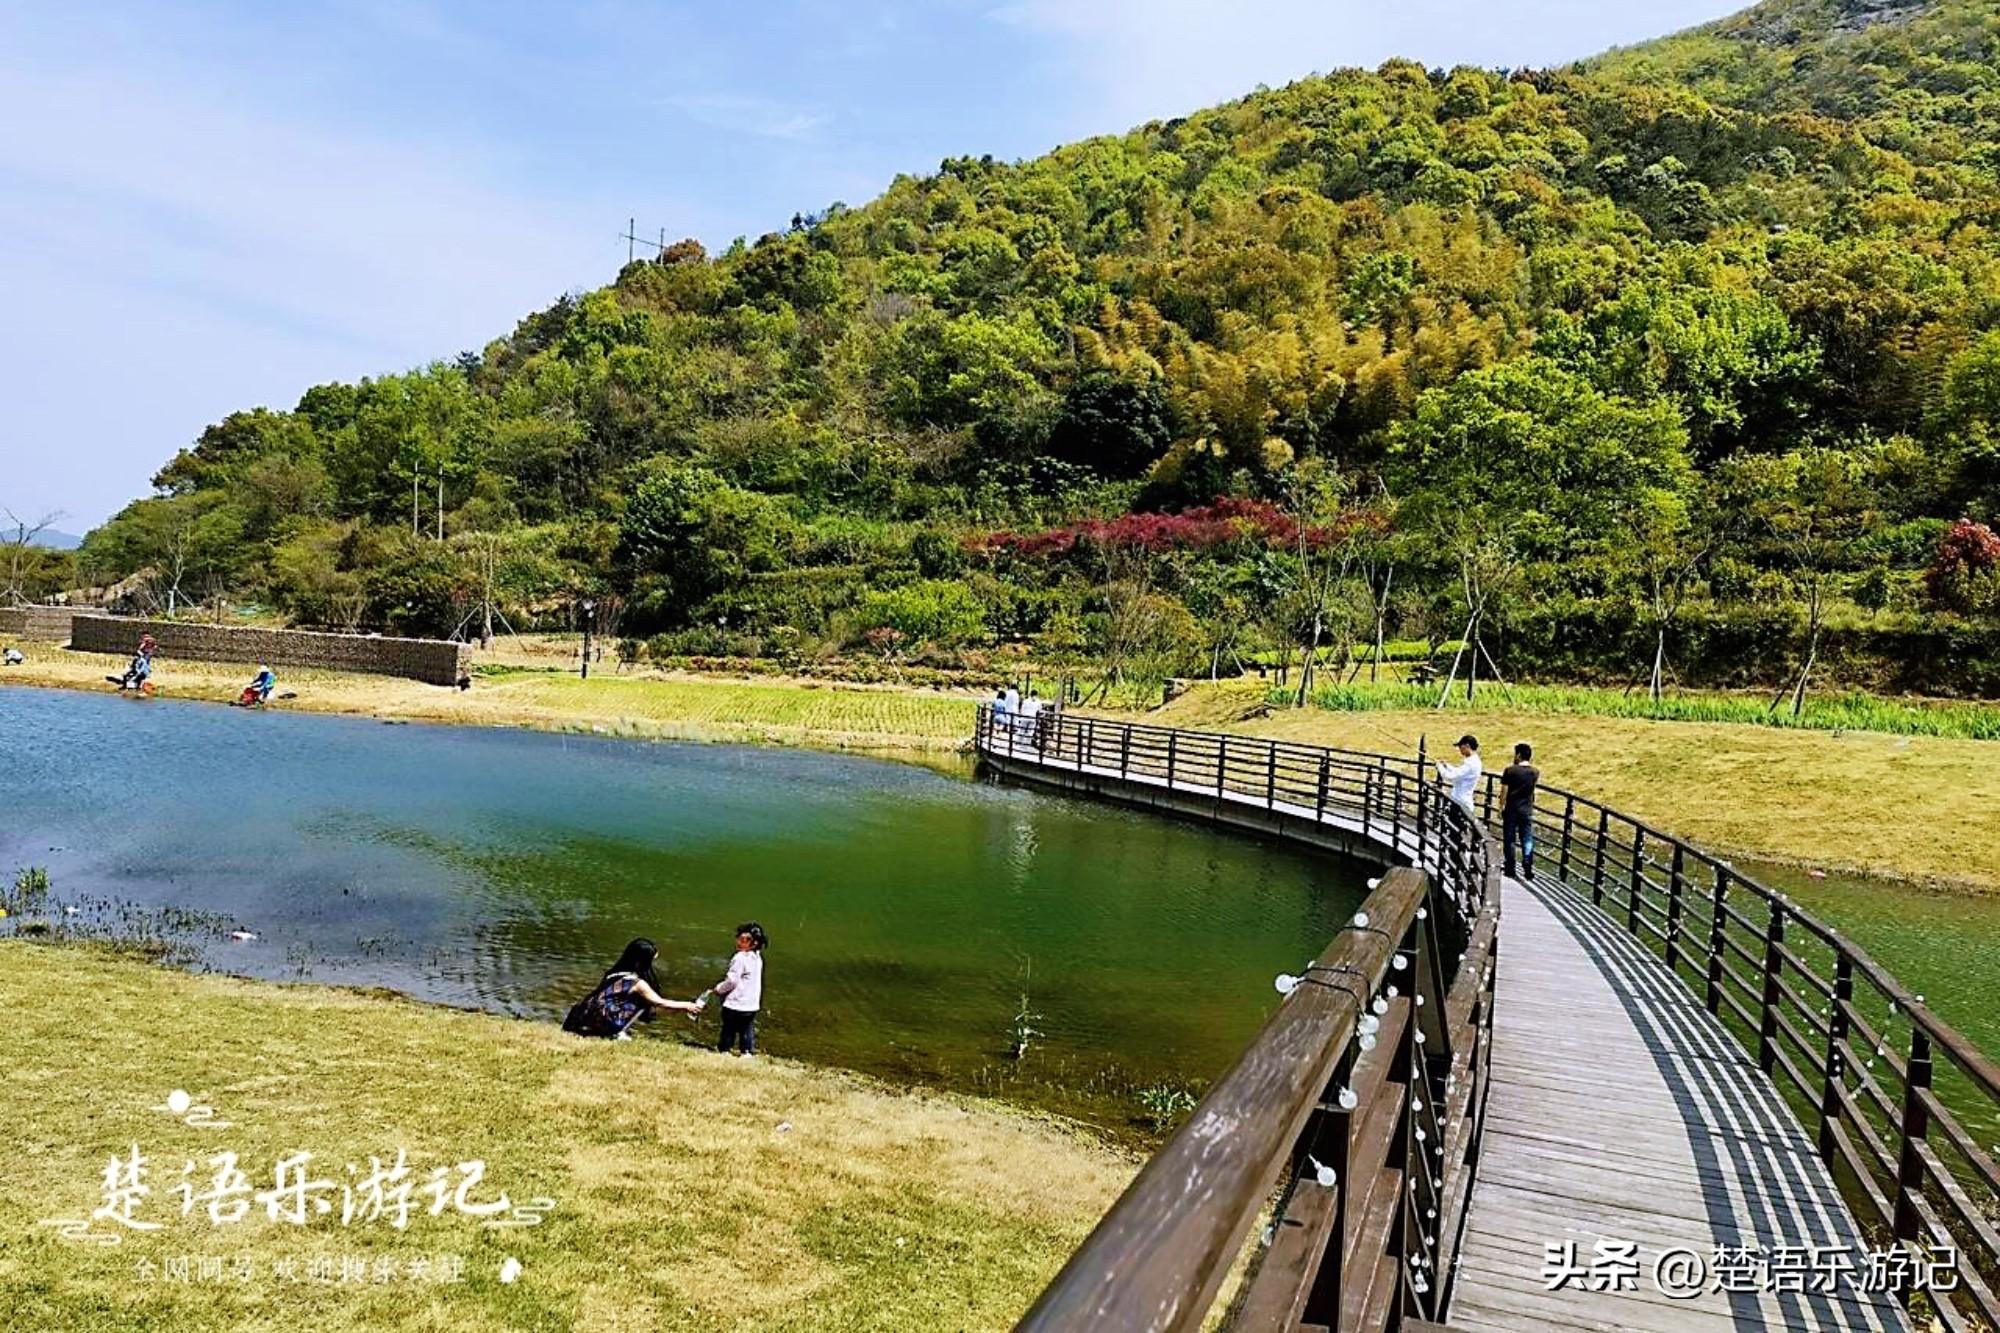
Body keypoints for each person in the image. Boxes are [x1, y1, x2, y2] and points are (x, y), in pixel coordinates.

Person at [562, 938, 701, 1040]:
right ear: (642, 962)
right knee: (642, 1002)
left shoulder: (614, 973)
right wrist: (686, 1005)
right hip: (606, 1022)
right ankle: (616, 1033)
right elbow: (660, 1002)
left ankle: (611, 1030)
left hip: (586, 1018)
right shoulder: (636, 983)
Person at [712, 922, 767, 1056]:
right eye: (739, 939)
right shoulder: (757, 958)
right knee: (747, 1029)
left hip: (735, 1003)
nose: (739, 942)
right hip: (751, 1004)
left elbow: (732, 980)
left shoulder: (740, 958)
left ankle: (724, 1049)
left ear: (753, 943)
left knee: (729, 1028)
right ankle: (746, 1051)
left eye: (743, 940)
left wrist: (719, 989)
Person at [1500, 742, 1541, 880]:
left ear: (1518, 754)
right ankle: (1528, 864)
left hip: (1512, 808)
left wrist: (1501, 807)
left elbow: (1504, 792)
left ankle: (1510, 867)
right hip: (1526, 809)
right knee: (1527, 838)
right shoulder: (1535, 772)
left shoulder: (1510, 770)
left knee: (1510, 838)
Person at [1435, 734, 1482, 818]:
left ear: (1467, 746)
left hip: (1461, 802)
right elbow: (1459, 772)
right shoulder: (1472, 761)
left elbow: (1450, 776)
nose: (1460, 750)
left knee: (1455, 828)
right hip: (1460, 800)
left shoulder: (1471, 764)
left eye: (1461, 747)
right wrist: (1447, 766)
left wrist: (1440, 767)